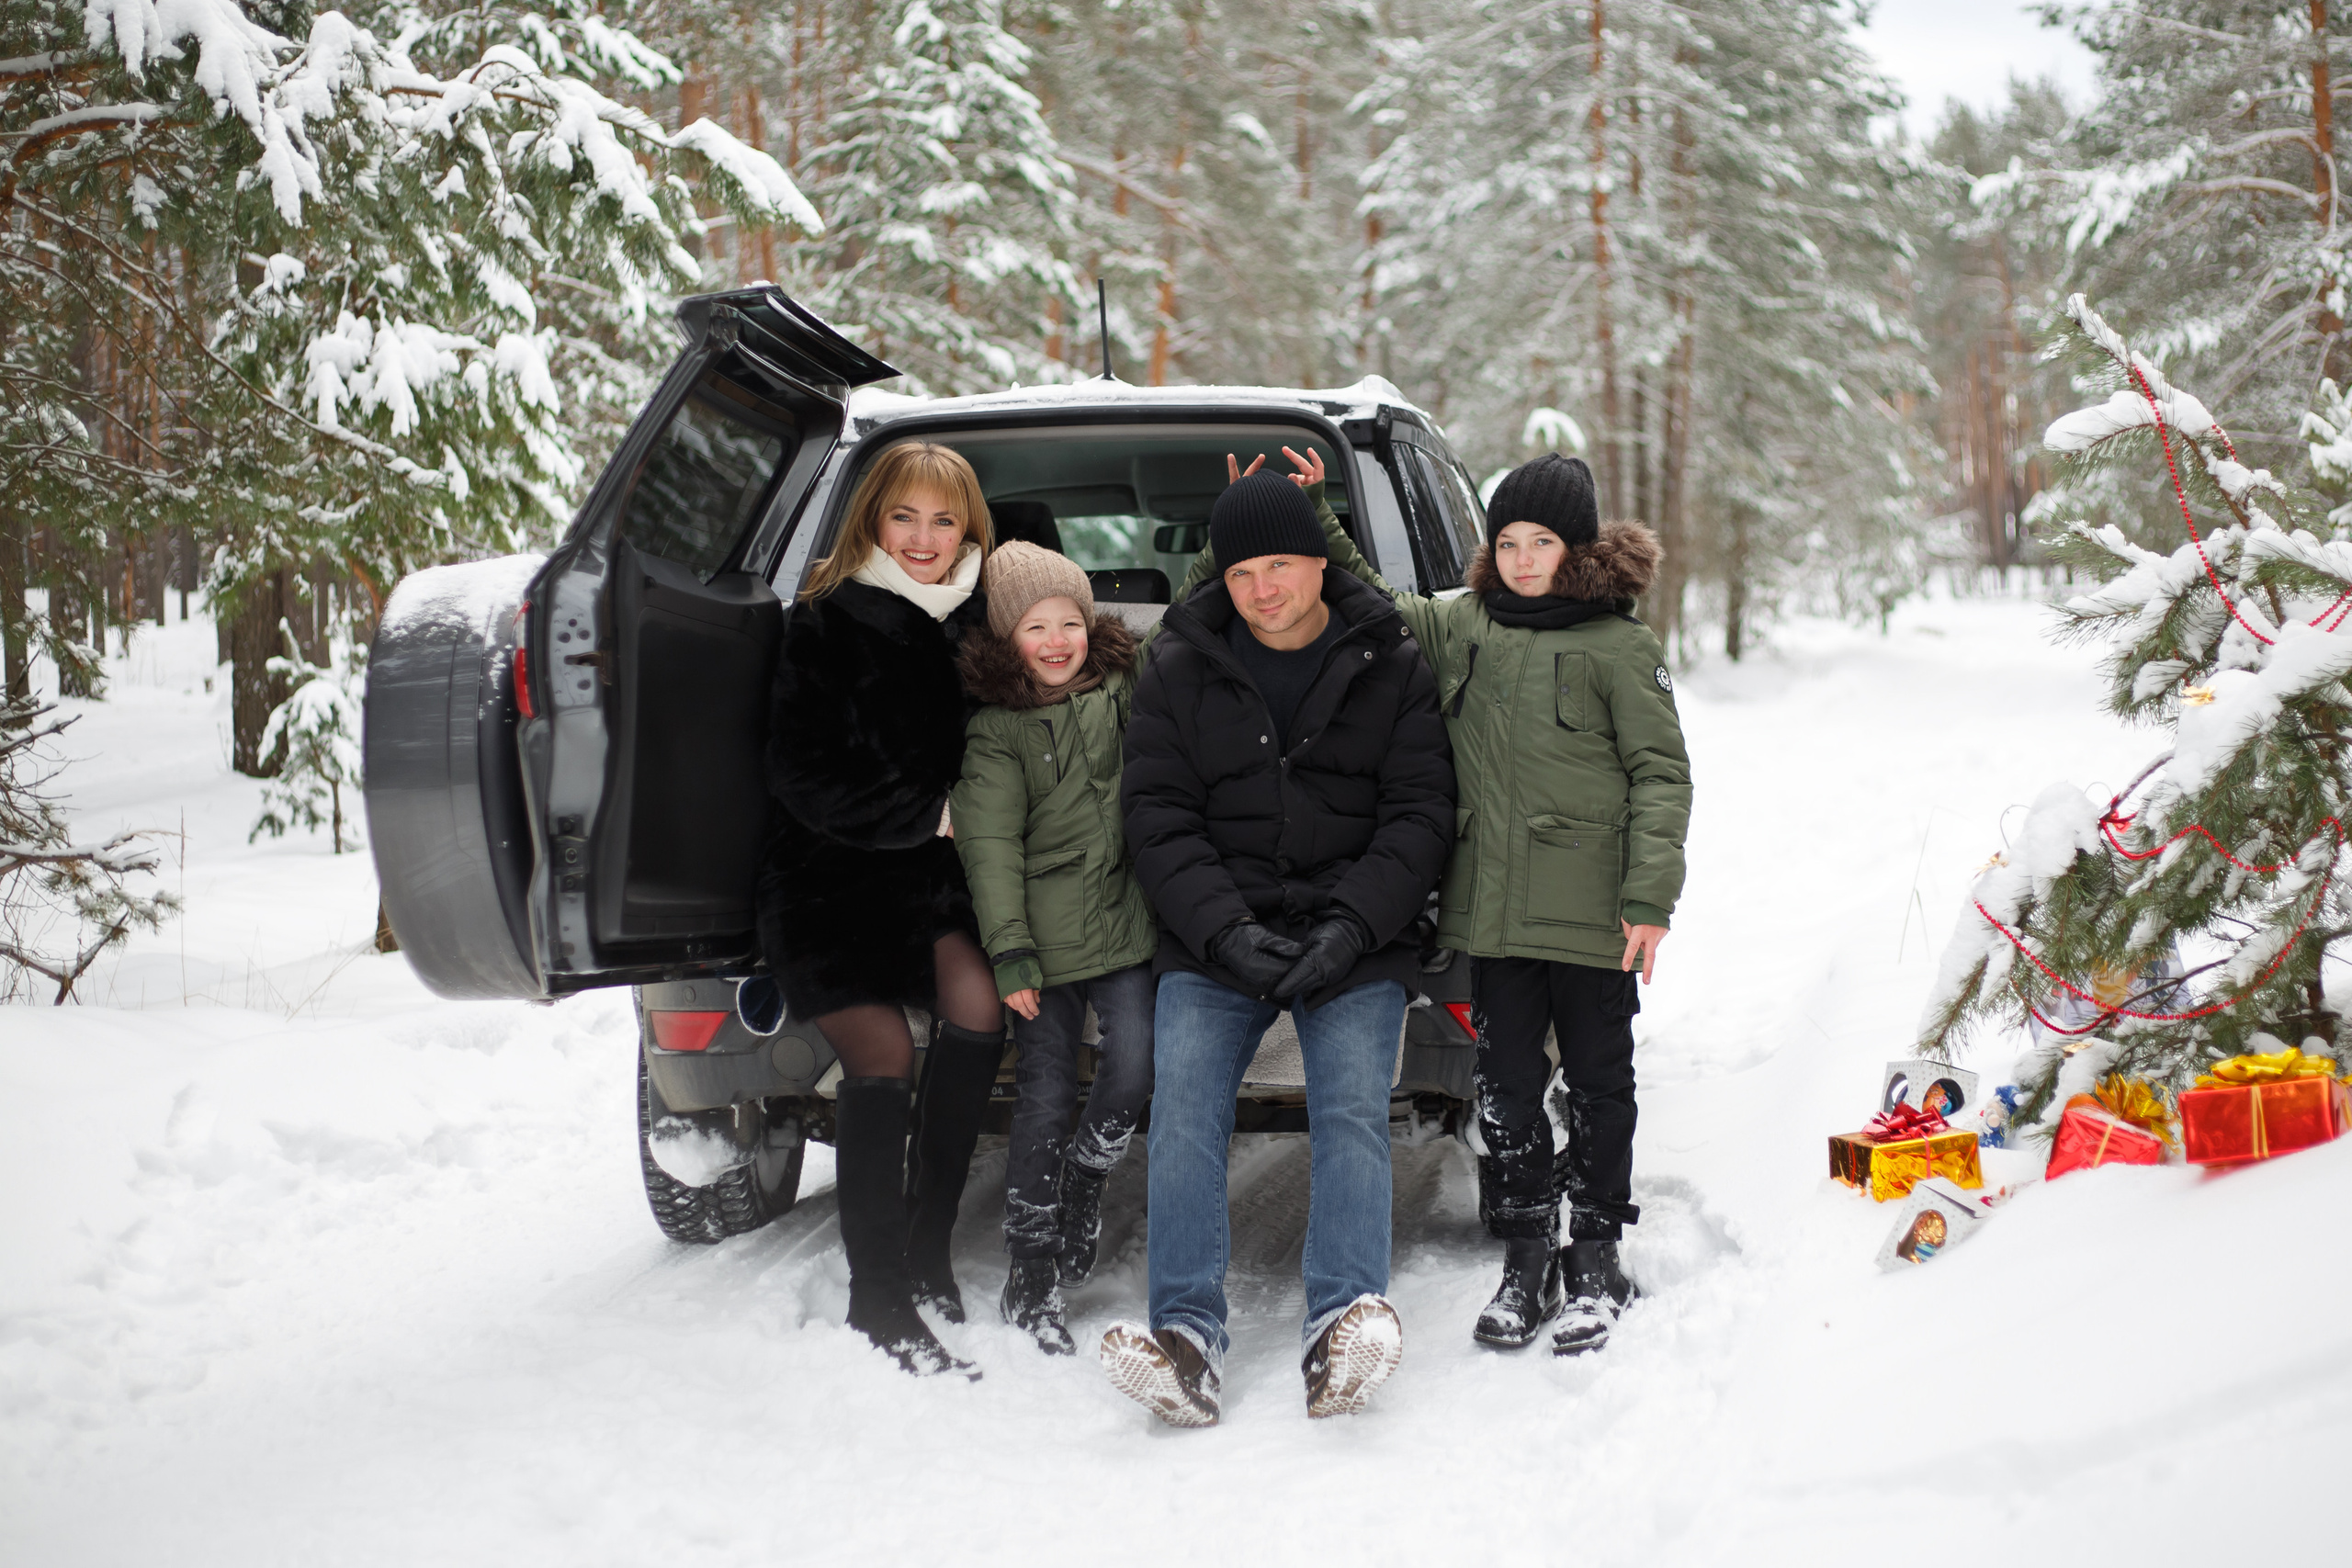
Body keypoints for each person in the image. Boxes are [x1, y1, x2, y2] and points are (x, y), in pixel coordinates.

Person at [1288, 451, 1691, 1358]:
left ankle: (1595, 1257)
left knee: (1599, 1085)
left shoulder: (1619, 646)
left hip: (1592, 915)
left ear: (1575, 547)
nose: (1521, 559)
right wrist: (1317, 518)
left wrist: (1648, 899)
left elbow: (1661, 776)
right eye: (1507, 542)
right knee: (1505, 1090)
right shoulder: (1465, 625)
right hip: (1495, 914)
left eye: (1540, 542)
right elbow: (1375, 603)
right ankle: (1526, 1256)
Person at [1100, 468, 1455, 1427]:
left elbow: (1420, 814)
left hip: (1356, 934)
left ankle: (1341, 1325)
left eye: (1281, 566)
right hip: (1217, 936)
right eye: (1242, 572)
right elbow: (1158, 817)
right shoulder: (1180, 662)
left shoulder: (1389, 657)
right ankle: (1185, 1340)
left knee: (1350, 1110)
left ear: (1318, 562)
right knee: (1183, 1110)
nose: (1262, 589)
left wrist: (1352, 928)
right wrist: (1226, 931)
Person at [757, 440, 1006, 1379]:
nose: (923, 538)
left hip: (929, 884)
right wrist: (928, 814)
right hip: (824, 877)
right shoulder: (824, 618)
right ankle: (878, 1295)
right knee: (885, 1050)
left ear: (969, 529)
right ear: (872, 519)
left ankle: (927, 1244)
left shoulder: (981, 624)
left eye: (944, 520)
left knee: (979, 1006)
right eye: (904, 516)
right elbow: (799, 774)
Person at [948, 543, 1159, 1356]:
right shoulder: (996, 731)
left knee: (1134, 1067)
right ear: (1010, 638)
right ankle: (1030, 1265)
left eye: (1070, 622)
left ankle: (1087, 1175)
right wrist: (1010, 952)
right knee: (1043, 1096)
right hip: (1038, 941)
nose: (1057, 640)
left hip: (1122, 924)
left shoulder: (1123, 688)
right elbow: (990, 847)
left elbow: (1194, 622)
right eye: (1036, 627)